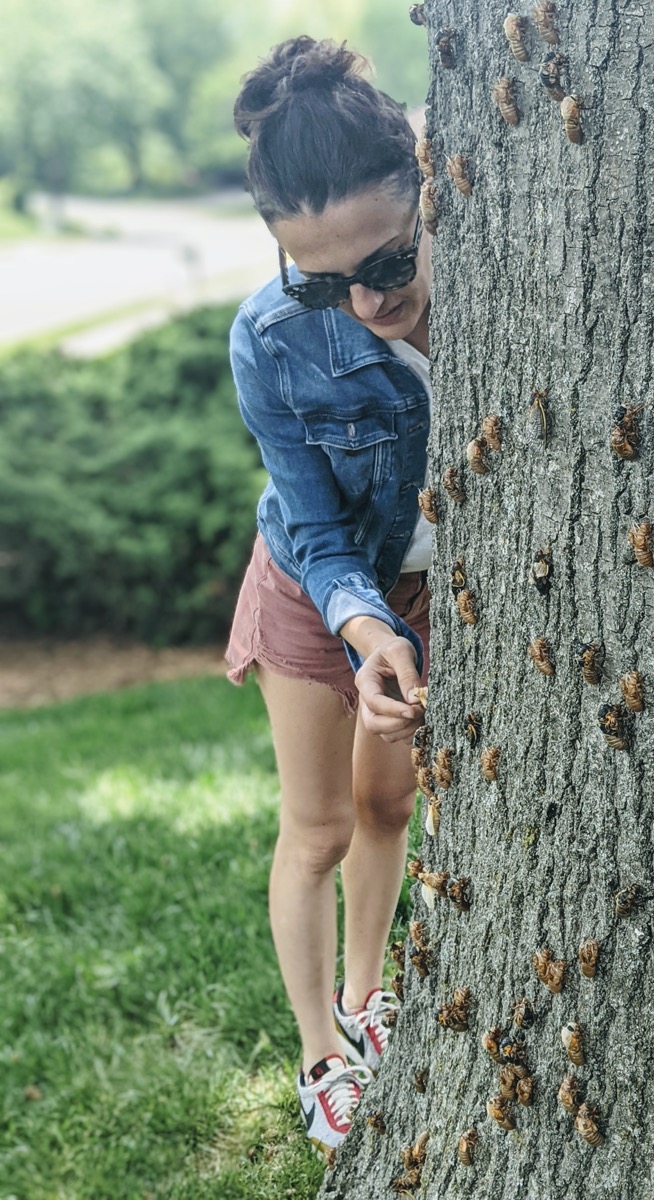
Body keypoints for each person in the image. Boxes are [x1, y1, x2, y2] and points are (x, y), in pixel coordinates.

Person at [224, 36, 433, 1161]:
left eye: (389, 258)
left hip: (431, 585)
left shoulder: (531, 265)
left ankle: (368, 998)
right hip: (319, 589)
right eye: (320, 276)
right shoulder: (269, 336)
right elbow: (306, 518)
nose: (362, 297)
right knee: (317, 826)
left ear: (427, 176)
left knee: (389, 807)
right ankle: (322, 1058)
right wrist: (360, 624)